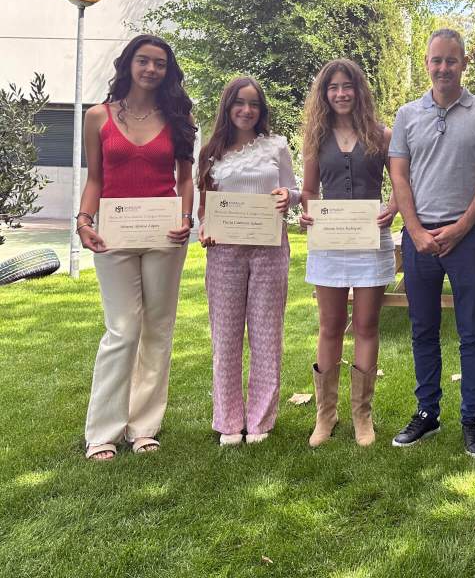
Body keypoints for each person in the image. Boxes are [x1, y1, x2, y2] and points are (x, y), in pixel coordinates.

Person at [75, 34, 196, 460]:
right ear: (128, 64)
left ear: (167, 71)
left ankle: (144, 427)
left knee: (158, 330)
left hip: (166, 237)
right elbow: (95, 179)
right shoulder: (97, 117)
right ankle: (103, 432)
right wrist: (83, 221)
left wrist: (186, 218)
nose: (150, 69)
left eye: (159, 64)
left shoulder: (179, 116)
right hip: (114, 236)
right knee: (122, 330)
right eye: (143, 61)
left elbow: (184, 179)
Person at [388, 28, 475, 457]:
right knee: (423, 329)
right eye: (436, 60)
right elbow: (399, 174)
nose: (443, 68)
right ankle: (427, 413)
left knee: (472, 332)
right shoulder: (406, 115)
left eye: (451, 60)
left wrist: (460, 228)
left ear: (464, 63)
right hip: (419, 239)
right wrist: (415, 230)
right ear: (427, 63)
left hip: (467, 238)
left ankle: (472, 419)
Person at [195, 77, 298, 446]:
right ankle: (228, 421)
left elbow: (294, 189)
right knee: (225, 337)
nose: (246, 110)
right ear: (228, 106)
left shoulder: (277, 146)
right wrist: (204, 228)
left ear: (262, 110)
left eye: (254, 104)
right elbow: (204, 209)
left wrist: (290, 195)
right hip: (225, 251)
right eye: (239, 102)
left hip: (269, 247)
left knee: (267, 335)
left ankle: (259, 421)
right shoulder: (211, 151)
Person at [300, 59, 397, 447]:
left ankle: (362, 415)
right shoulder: (316, 137)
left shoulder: (381, 135)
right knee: (329, 325)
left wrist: (394, 207)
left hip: (371, 241)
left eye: (347, 86)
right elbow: (308, 191)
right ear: (324, 94)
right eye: (333, 87)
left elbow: (402, 183)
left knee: (366, 326)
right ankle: (326, 415)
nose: (340, 93)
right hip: (330, 243)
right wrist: (307, 211)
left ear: (359, 91)